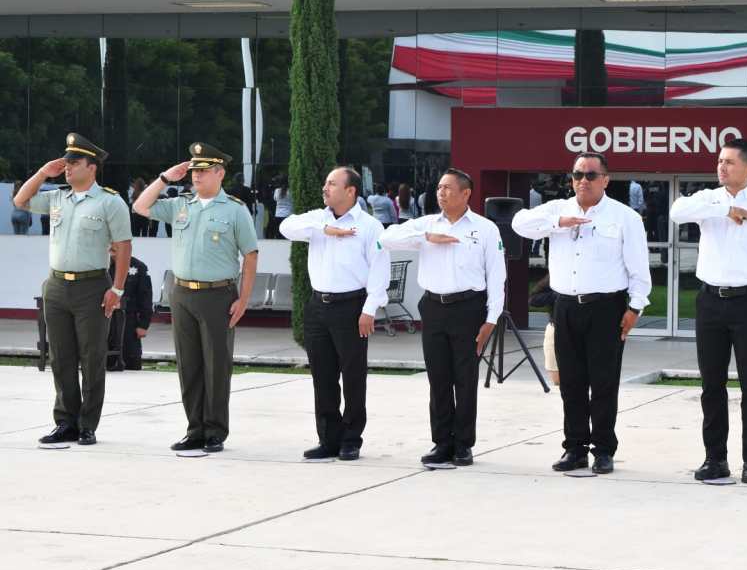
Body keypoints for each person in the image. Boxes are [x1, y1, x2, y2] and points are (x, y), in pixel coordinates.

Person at [512, 152, 651, 475]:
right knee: (571, 382)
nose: (583, 181)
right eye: (577, 175)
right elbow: (519, 223)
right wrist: (557, 223)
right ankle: (574, 448)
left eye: (590, 175)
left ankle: (603, 450)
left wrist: (635, 308)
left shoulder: (624, 217)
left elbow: (638, 268)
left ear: (606, 180)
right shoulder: (558, 209)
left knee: (603, 382)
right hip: (565, 306)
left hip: (606, 308)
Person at [669, 138, 747, 485]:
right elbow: (676, 212)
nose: (722, 167)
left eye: (730, 162)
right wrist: (724, 211)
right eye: (720, 161)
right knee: (712, 384)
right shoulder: (708, 200)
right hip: (710, 302)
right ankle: (715, 459)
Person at [132, 142, 259, 454]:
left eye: (203, 170)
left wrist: (243, 299)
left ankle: (215, 430)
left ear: (220, 173)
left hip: (218, 294)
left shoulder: (235, 210)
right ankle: (195, 429)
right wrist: (164, 178)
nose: (196, 176)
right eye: (194, 171)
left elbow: (250, 255)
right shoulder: (180, 205)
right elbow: (140, 206)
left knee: (216, 365)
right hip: (182, 293)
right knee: (188, 365)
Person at [380, 168, 505, 467]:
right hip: (434, 307)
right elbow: (386, 238)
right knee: (438, 379)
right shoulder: (426, 224)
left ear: (466, 193)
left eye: (448, 188)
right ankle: (441, 442)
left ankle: (463, 444)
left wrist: (492, 319)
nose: (441, 193)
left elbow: (497, 275)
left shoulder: (485, 229)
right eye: (439, 188)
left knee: (465, 379)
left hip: (468, 308)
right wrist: (425, 236)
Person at [13, 133, 132, 446]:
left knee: (92, 357)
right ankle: (65, 422)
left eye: (74, 163)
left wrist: (117, 289)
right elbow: (20, 201)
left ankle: (87, 424)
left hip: (92, 286)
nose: (67, 168)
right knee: (61, 357)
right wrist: (43, 173)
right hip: (56, 286)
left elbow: (123, 247)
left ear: (92, 167)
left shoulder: (110, 201)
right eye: (66, 162)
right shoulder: (57, 197)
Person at [280, 167, 390, 462]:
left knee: (353, 375)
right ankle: (328, 439)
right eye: (325, 183)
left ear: (350, 191)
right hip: (318, 305)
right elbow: (286, 226)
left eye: (332, 183)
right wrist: (323, 229)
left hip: (352, 306)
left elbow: (380, 271)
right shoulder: (318, 218)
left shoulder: (369, 227)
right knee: (323, 375)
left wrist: (369, 310)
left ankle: (351, 439)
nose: (325, 188)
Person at [106, 246, 153, 371]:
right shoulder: (101, 267)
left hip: (129, 321)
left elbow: (145, 298)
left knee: (131, 362)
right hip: (105, 320)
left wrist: (143, 324)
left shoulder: (138, 267)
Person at [528, 274, 559, 386]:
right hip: (556, 327)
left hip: (584, 329)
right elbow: (533, 299)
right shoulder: (556, 275)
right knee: (557, 380)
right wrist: (557, 295)